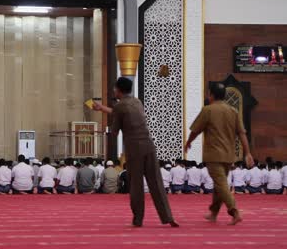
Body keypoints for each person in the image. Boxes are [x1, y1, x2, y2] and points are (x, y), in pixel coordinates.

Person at [93, 77, 178, 227]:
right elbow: (121, 111)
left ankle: (138, 219)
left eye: (114, 88)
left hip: (134, 150)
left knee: (136, 186)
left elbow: (115, 131)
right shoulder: (137, 102)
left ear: (118, 90)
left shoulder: (120, 106)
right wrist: (102, 108)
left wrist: (104, 134)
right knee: (156, 184)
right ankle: (168, 217)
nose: (114, 90)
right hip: (149, 146)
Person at [185, 82, 254, 225]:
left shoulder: (208, 110)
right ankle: (213, 213)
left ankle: (234, 210)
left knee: (221, 184)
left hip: (214, 154)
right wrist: (247, 153)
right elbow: (242, 134)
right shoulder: (233, 111)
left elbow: (196, 130)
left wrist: (188, 142)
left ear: (211, 95)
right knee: (219, 184)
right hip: (229, 155)